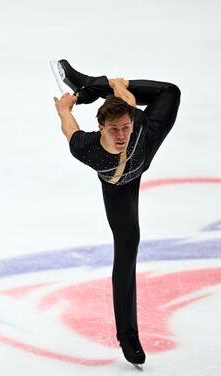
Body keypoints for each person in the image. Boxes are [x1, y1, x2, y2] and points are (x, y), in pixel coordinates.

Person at [52, 59, 181, 367]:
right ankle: (128, 335)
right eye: (114, 129)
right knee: (127, 249)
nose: (121, 134)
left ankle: (90, 84)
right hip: (118, 191)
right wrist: (66, 108)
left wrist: (119, 87)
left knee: (170, 93)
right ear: (100, 128)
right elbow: (68, 125)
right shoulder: (86, 147)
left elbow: (129, 104)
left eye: (125, 127)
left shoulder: (136, 128)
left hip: (147, 148)